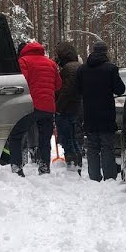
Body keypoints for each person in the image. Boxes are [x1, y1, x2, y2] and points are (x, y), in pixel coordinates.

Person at [7, 40, 61, 176]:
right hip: (48, 107)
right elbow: (58, 85)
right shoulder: (51, 63)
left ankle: (17, 168)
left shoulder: (23, 61)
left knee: (15, 135)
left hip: (30, 106)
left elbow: (21, 83)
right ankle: (44, 168)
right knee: (44, 139)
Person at [76, 41, 126, 181]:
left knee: (92, 147)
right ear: (105, 52)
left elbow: (78, 90)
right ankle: (109, 176)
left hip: (89, 113)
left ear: (93, 51)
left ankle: (94, 176)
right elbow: (120, 89)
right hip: (106, 114)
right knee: (107, 146)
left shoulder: (82, 70)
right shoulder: (110, 69)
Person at [54, 42, 84, 174]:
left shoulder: (69, 69)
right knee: (72, 136)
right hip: (74, 107)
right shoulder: (77, 66)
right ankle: (76, 163)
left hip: (66, 108)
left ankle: (72, 165)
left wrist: (58, 107)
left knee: (67, 138)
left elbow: (66, 91)